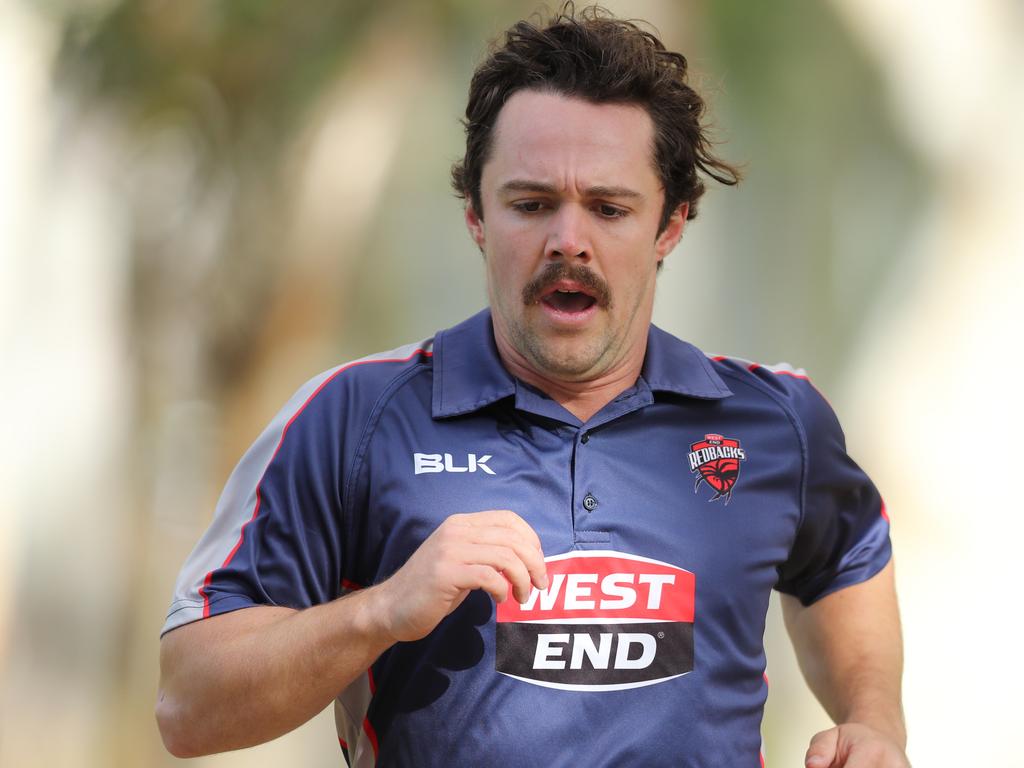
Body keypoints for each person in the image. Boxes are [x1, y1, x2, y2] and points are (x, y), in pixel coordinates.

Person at [156, 6, 909, 767]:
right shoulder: (350, 420)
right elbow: (188, 708)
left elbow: (845, 556)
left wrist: (874, 721)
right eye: (531, 204)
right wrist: (381, 611)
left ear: (671, 224)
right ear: (476, 215)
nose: (568, 242)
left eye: (610, 209)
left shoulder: (772, 422)